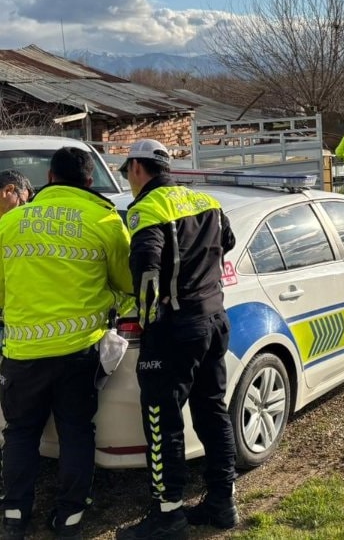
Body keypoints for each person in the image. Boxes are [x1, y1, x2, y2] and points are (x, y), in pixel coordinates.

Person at [0, 148, 133, 540]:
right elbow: (127, 282)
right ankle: (70, 518)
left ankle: (13, 517)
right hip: (78, 352)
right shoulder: (104, 219)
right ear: (89, 181)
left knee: (20, 434)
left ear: (50, 177)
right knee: (76, 432)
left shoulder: (11, 222)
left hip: (22, 352)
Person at [116, 139, 237, 540]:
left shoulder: (147, 208)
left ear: (137, 168)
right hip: (214, 318)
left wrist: (150, 322)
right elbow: (229, 241)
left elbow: (146, 272)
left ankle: (168, 515)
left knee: (161, 420)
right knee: (212, 410)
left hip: (176, 328)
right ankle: (222, 502)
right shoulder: (206, 200)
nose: (129, 180)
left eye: (127, 172)